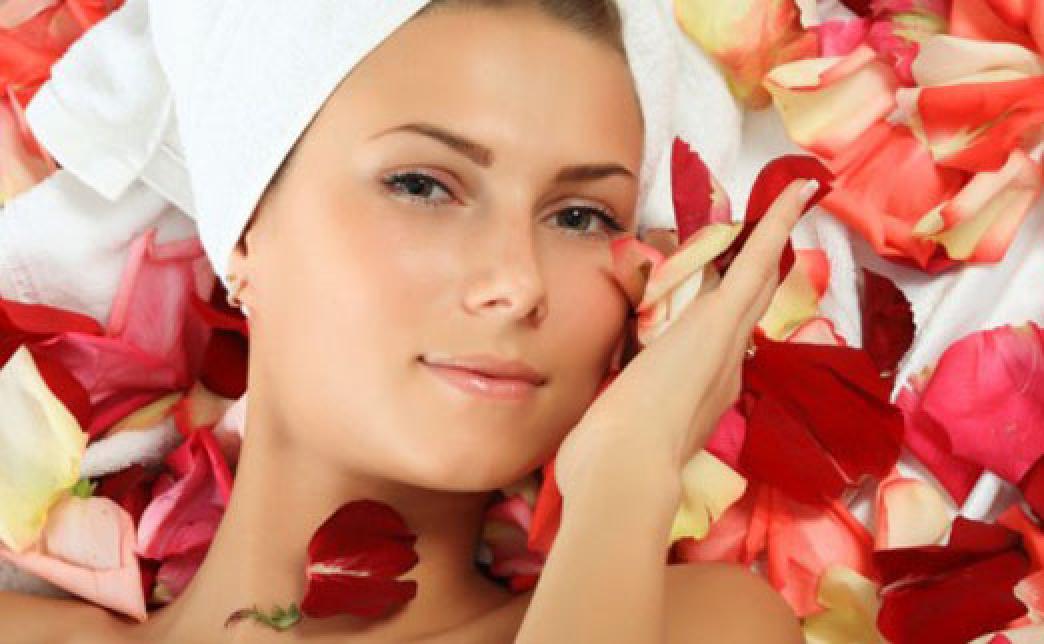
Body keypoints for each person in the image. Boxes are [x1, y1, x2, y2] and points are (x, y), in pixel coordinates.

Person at [1, 0, 811, 642]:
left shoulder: (708, 627)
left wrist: (629, 474)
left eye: (581, 217)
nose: (516, 283)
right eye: (422, 185)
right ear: (244, 229)